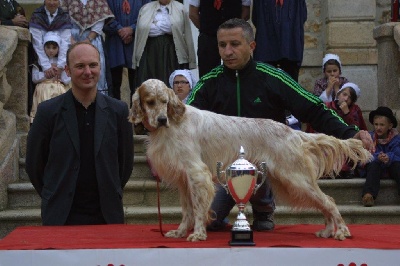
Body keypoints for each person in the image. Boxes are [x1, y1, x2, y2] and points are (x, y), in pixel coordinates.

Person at [186, 18, 374, 232]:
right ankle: (227, 217)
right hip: (223, 169)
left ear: (252, 46)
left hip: (268, 161)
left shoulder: (273, 77)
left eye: (235, 44)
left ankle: (263, 210)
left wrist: (350, 132)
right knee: (207, 220)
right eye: (222, 45)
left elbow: (313, 108)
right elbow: (186, 120)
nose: (228, 52)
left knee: (258, 163)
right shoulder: (208, 82)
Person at [26, 42, 134, 225]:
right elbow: (34, 164)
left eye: (93, 65)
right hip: (60, 217)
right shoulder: (47, 111)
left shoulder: (119, 111)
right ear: (67, 70)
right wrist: (52, 195)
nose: (88, 72)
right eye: (80, 66)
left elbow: (125, 163)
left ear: (100, 67)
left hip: (107, 217)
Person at [132, 0, 196, 89]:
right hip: (150, 53)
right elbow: (140, 33)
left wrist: (156, 24)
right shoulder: (145, 9)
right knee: (150, 86)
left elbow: (187, 34)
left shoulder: (180, 8)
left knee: (171, 86)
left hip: (172, 53)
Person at [61, 0, 114, 95]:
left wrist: (88, 39)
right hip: (70, 37)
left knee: (94, 66)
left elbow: (99, 22)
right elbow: (62, 19)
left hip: (93, 39)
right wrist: (71, 40)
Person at [189, 0, 251, 78]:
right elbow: (193, 14)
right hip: (208, 38)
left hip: (234, 38)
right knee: (208, 75)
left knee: (236, 70)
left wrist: (235, 31)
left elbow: (246, 12)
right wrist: (206, 29)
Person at [103, 0, 151, 100]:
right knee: (114, 82)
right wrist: (119, 29)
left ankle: (135, 112)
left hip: (136, 42)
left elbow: (148, 14)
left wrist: (132, 29)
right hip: (114, 42)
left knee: (136, 84)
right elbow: (103, 14)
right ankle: (115, 113)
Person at [361, 106, 400, 207]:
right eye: (376, 124)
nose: (378, 127)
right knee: (373, 163)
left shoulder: (396, 139)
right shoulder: (369, 138)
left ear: (390, 125)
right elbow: (365, 155)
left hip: (391, 167)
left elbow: (398, 153)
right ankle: (368, 195)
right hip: (375, 168)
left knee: (397, 165)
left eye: (382, 125)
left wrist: (389, 157)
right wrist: (377, 157)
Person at [30, 31, 70, 123]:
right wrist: (46, 74)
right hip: (43, 89)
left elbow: (67, 79)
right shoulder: (40, 62)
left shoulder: (62, 62)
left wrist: (59, 74)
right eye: (48, 47)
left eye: (54, 48)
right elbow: (34, 78)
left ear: (59, 48)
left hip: (58, 89)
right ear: (43, 47)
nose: (51, 50)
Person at [29, 0, 71, 86]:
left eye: (55, 0)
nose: (52, 3)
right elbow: (37, 44)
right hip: (40, 59)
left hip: (58, 59)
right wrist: (46, 67)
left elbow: (64, 43)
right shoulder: (37, 16)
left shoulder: (64, 16)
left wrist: (60, 66)